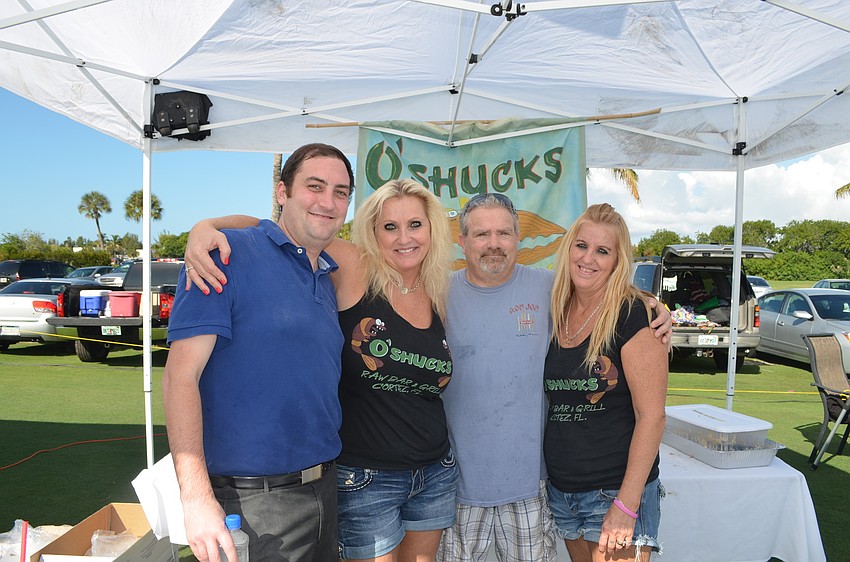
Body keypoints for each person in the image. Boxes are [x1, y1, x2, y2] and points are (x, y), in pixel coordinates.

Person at [184, 193, 672, 562]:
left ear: (519, 239)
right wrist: (208, 225)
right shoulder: (442, 291)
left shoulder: (549, 289)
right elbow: (298, 230)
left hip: (525, 489)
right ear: (461, 240)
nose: (493, 243)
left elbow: (599, 284)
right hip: (450, 489)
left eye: (503, 233)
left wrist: (650, 304)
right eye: (480, 234)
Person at [185, 179, 458, 562]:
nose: (403, 239)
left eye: (415, 225)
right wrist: (206, 227)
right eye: (389, 227)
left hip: (435, 472)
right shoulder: (355, 266)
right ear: (372, 233)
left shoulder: (437, 291)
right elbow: (278, 229)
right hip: (368, 476)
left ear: (432, 229)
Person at [162, 143, 354, 562]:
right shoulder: (224, 254)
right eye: (315, 186)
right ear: (282, 192)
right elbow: (180, 376)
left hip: (324, 490)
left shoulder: (325, 274)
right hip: (250, 507)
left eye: (341, 192)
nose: (328, 201)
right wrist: (195, 499)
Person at [543, 203, 668, 562]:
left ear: (617, 260)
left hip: (615, 493)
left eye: (602, 251)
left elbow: (652, 417)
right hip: (563, 493)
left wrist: (626, 506)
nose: (588, 258)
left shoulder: (633, 314)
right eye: (581, 246)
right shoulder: (558, 309)